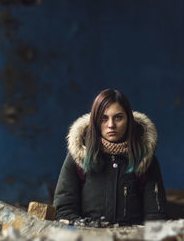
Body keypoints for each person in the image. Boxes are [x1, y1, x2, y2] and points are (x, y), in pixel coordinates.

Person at [53, 89, 168, 226]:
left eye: (118, 117)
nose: (111, 125)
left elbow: (156, 214)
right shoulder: (79, 156)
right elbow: (64, 210)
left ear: (128, 120)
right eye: (104, 118)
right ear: (95, 121)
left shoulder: (145, 159)